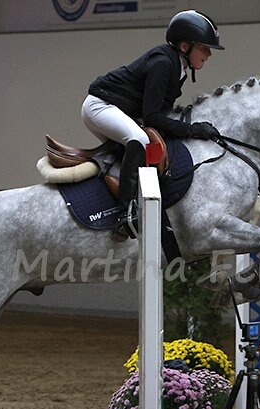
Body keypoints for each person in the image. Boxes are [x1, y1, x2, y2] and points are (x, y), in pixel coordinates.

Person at [82, 10, 224, 241]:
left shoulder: (178, 67)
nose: (208, 55)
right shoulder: (163, 64)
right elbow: (152, 117)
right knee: (139, 140)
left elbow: (160, 113)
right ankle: (125, 215)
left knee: (144, 148)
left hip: (117, 109)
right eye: (204, 48)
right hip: (100, 106)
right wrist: (192, 130)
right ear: (185, 46)